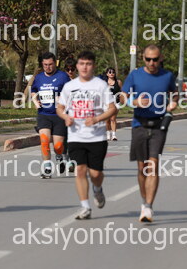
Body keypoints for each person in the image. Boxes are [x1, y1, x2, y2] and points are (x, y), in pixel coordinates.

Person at [57, 51, 117, 220]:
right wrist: (66, 117)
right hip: (76, 136)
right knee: (80, 170)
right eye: (82, 63)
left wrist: (97, 118)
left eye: (88, 64)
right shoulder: (69, 86)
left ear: (93, 66)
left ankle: (97, 189)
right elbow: (60, 108)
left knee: (96, 174)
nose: (85, 67)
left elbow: (112, 109)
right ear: (77, 66)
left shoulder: (101, 85)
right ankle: (85, 207)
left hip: (97, 136)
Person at [121, 44, 178, 223]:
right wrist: (134, 101)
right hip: (139, 124)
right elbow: (122, 96)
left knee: (153, 165)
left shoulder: (167, 76)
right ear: (143, 58)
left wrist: (173, 103)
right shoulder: (135, 75)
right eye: (148, 59)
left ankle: (148, 206)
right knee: (142, 168)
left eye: (155, 59)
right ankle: (144, 201)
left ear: (160, 58)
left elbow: (175, 94)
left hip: (158, 125)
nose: (152, 63)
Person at [31, 52, 71, 178]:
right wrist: (35, 100)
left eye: (50, 64)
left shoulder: (63, 76)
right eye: (45, 65)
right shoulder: (39, 78)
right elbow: (33, 91)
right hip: (44, 114)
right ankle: (47, 167)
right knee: (44, 140)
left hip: (59, 115)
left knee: (58, 146)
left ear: (55, 63)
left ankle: (59, 156)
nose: (48, 67)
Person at [104, 67, 123, 141]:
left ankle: (114, 135)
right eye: (110, 72)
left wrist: (122, 98)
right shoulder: (104, 82)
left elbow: (122, 92)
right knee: (107, 120)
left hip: (116, 102)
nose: (111, 73)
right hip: (106, 102)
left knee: (113, 118)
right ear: (107, 74)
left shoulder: (118, 82)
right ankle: (108, 134)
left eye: (113, 72)